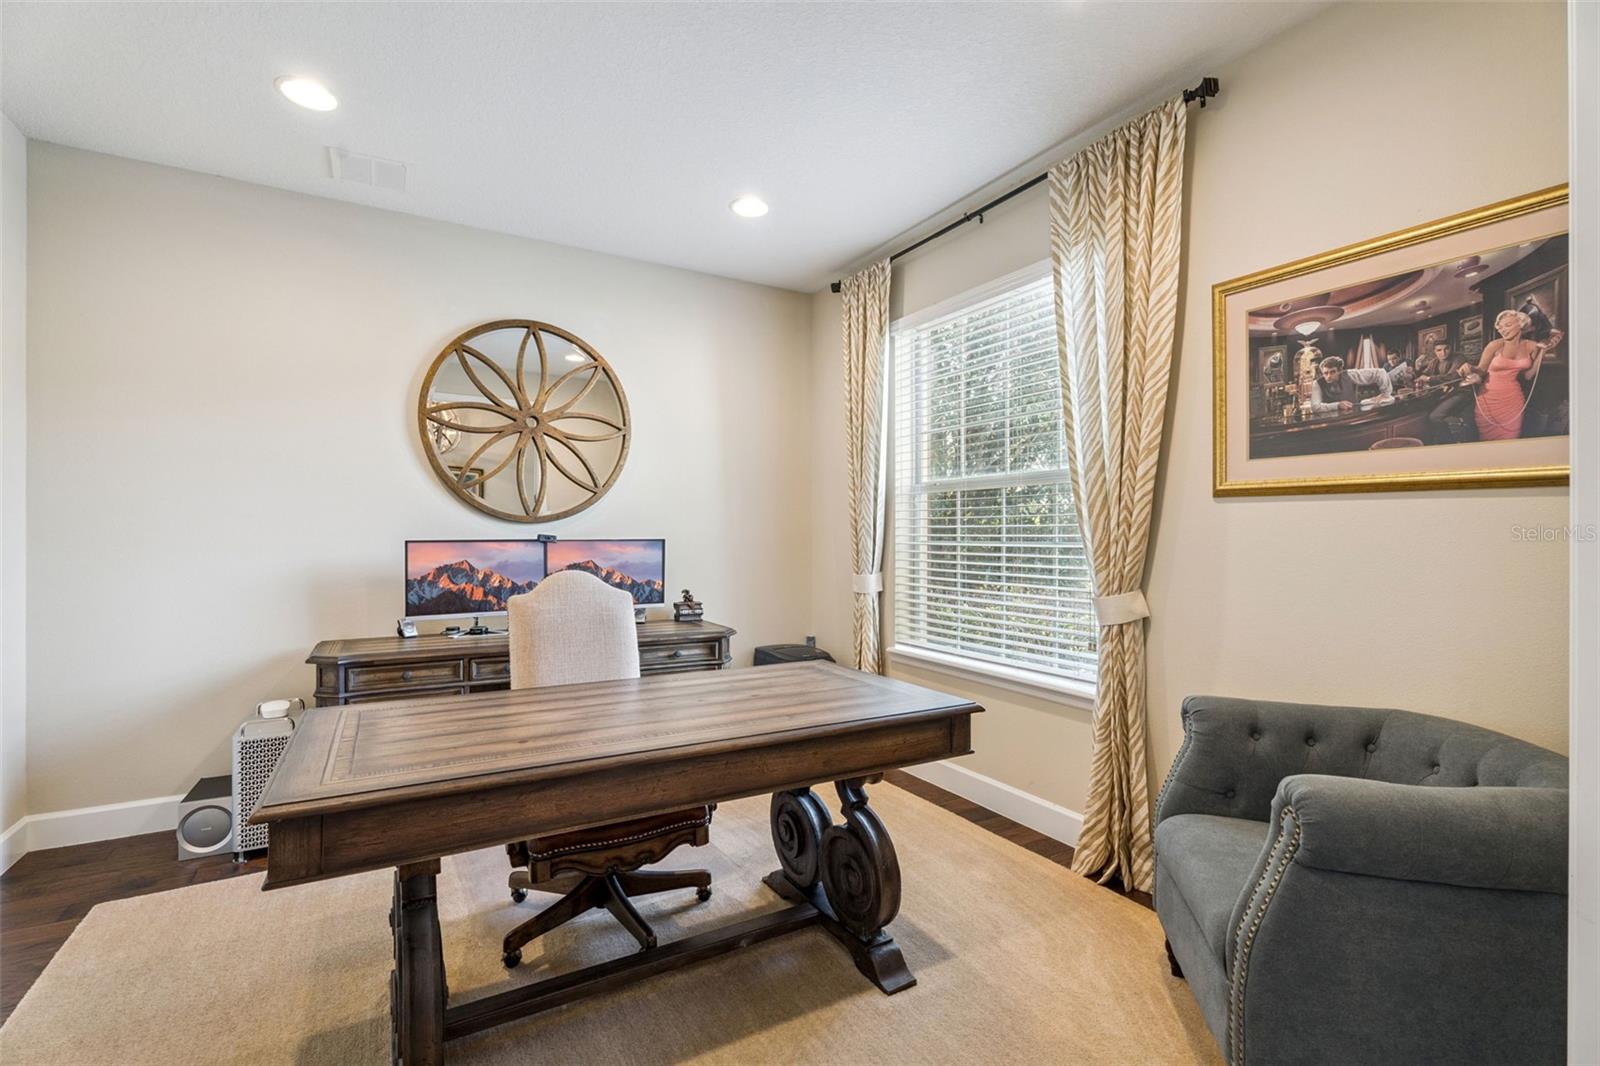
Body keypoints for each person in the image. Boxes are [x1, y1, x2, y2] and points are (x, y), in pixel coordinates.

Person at [1474, 309, 1564, 441]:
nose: (1503, 330)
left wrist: (1542, 352)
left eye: (1508, 325)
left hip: (1513, 401)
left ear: (1521, 324)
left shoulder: (1531, 346)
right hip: (1488, 400)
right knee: (1487, 443)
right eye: (1500, 327)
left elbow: (1528, 375)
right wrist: (1469, 370)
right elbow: (1480, 370)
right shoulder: (1494, 345)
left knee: (1511, 440)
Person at [1415, 340, 1478, 444]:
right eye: (1439, 350)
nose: (1443, 353)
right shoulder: (1434, 362)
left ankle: (1447, 443)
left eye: (1446, 349)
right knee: (1424, 412)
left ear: (1450, 348)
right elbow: (1424, 374)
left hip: (1462, 393)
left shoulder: (1459, 358)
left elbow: (1452, 377)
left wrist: (1429, 379)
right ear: (1435, 351)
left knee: (1435, 417)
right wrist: (1417, 371)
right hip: (1447, 394)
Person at [1309, 355, 1392, 414]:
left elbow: (1379, 372)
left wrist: (1385, 394)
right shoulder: (1317, 383)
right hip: (1331, 421)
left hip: (1354, 416)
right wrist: (1337, 405)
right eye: (1325, 373)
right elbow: (1315, 407)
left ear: (1340, 371)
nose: (1328, 376)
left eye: (1332, 372)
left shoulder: (1349, 374)